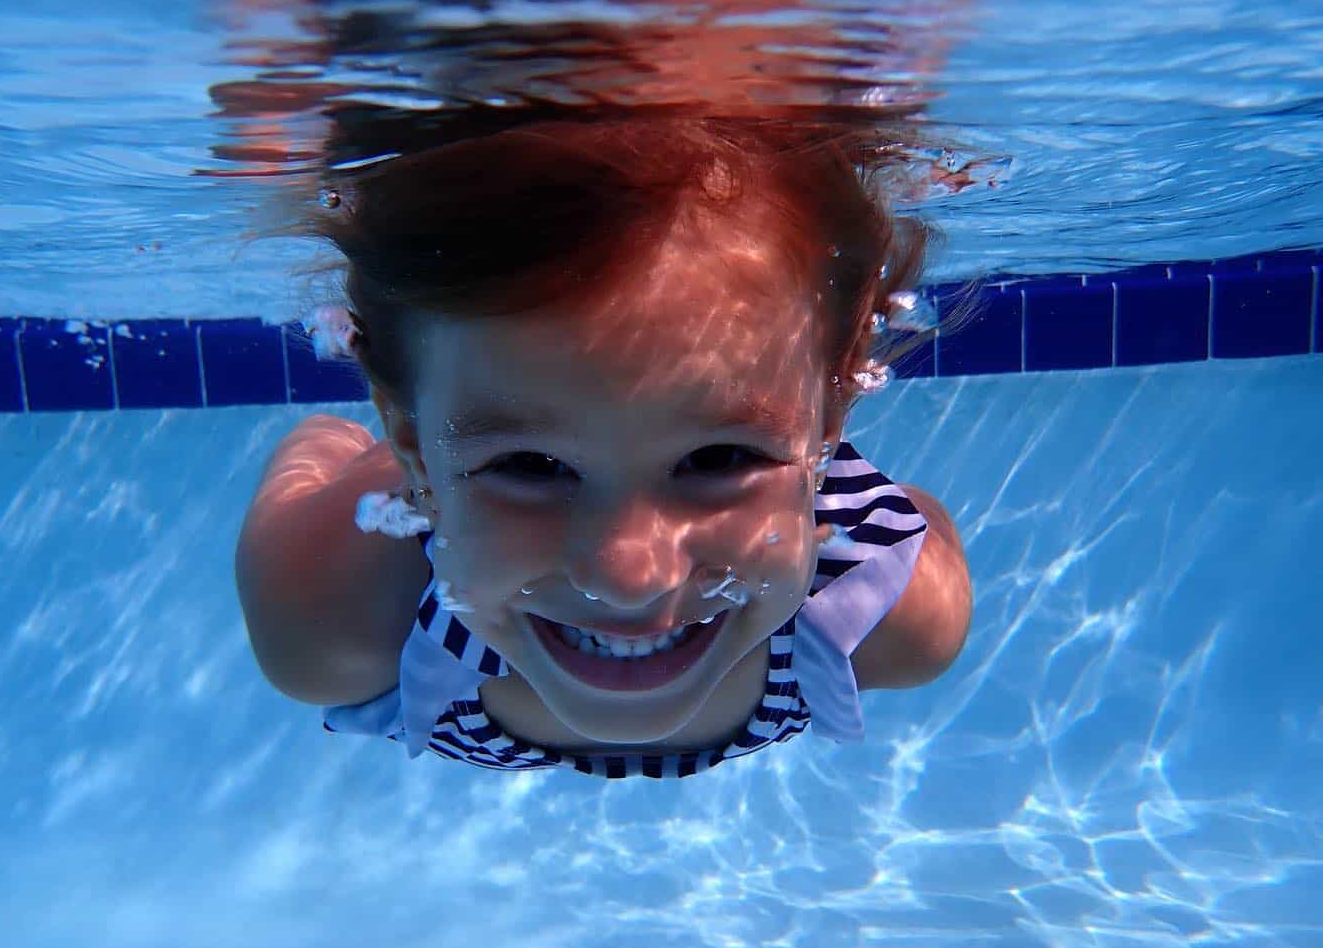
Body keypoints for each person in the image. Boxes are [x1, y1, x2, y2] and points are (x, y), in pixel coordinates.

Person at [235, 116, 972, 778]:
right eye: (529, 465)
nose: (629, 578)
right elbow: (313, 465)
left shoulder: (892, 608)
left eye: (720, 457)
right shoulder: (331, 619)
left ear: (830, 428)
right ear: (412, 449)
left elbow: (915, 517)